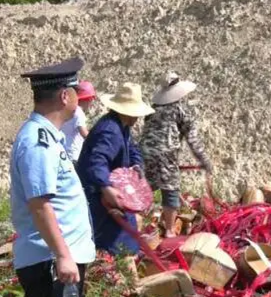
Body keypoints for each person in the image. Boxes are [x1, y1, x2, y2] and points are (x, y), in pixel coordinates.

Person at [10, 57, 96, 297]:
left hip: (66, 264)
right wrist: (63, 256)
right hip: (53, 264)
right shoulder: (37, 142)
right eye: (75, 90)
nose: (78, 97)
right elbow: (39, 203)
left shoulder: (50, 137)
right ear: (64, 96)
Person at [76, 82, 155, 259]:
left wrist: (136, 166)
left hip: (114, 189)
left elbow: (132, 149)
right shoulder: (110, 131)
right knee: (116, 240)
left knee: (128, 231)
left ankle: (125, 265)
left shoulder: (123, 126)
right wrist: (106, 187)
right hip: (97, 192)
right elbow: (97, 162)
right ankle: (116, 272)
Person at [140, 72, 213, 238]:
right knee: (170, 189)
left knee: (147, 188)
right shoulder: (182, 110)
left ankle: (142, 227)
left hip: (144, 151)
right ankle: (170, 230)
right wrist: (204, 160)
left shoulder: (153, 109)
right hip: (166, 154)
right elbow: (192, 140)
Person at [61, 80, 96, 163]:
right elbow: (84, 133)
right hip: (73, 155)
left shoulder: (67, 109)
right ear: (88, 99)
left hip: (63, 153)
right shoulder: (78, 112)